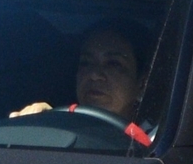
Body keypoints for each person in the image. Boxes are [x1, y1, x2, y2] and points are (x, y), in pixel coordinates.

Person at [13, 24, 151, 141]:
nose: (94, 75)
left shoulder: (159, 144)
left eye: (113, 64)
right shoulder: (58, 133)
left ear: (141, 84)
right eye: (86, 63)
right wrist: (37, 125)